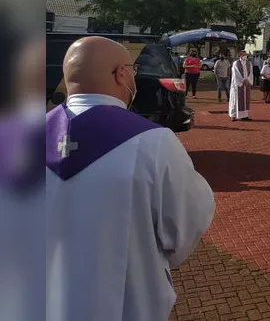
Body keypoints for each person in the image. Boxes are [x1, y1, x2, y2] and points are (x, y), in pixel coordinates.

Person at [46, 36, 215, 321]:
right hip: (125, 305)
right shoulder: (154, 142)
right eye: (132, 71)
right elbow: (185, 224)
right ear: (120, 74)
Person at [229, 49, 253, 121]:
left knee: (245, 99)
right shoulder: (236, 63)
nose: (245, 56)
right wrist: (242, 80)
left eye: (246, 55)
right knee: (235, 99)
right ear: (240, 55)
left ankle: (244, 115)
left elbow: (251, 73)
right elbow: (236, 73)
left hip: (246, 84)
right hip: (238, 85)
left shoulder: (249, 63)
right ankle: (234, 115)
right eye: (244, 54)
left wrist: (248, 80)